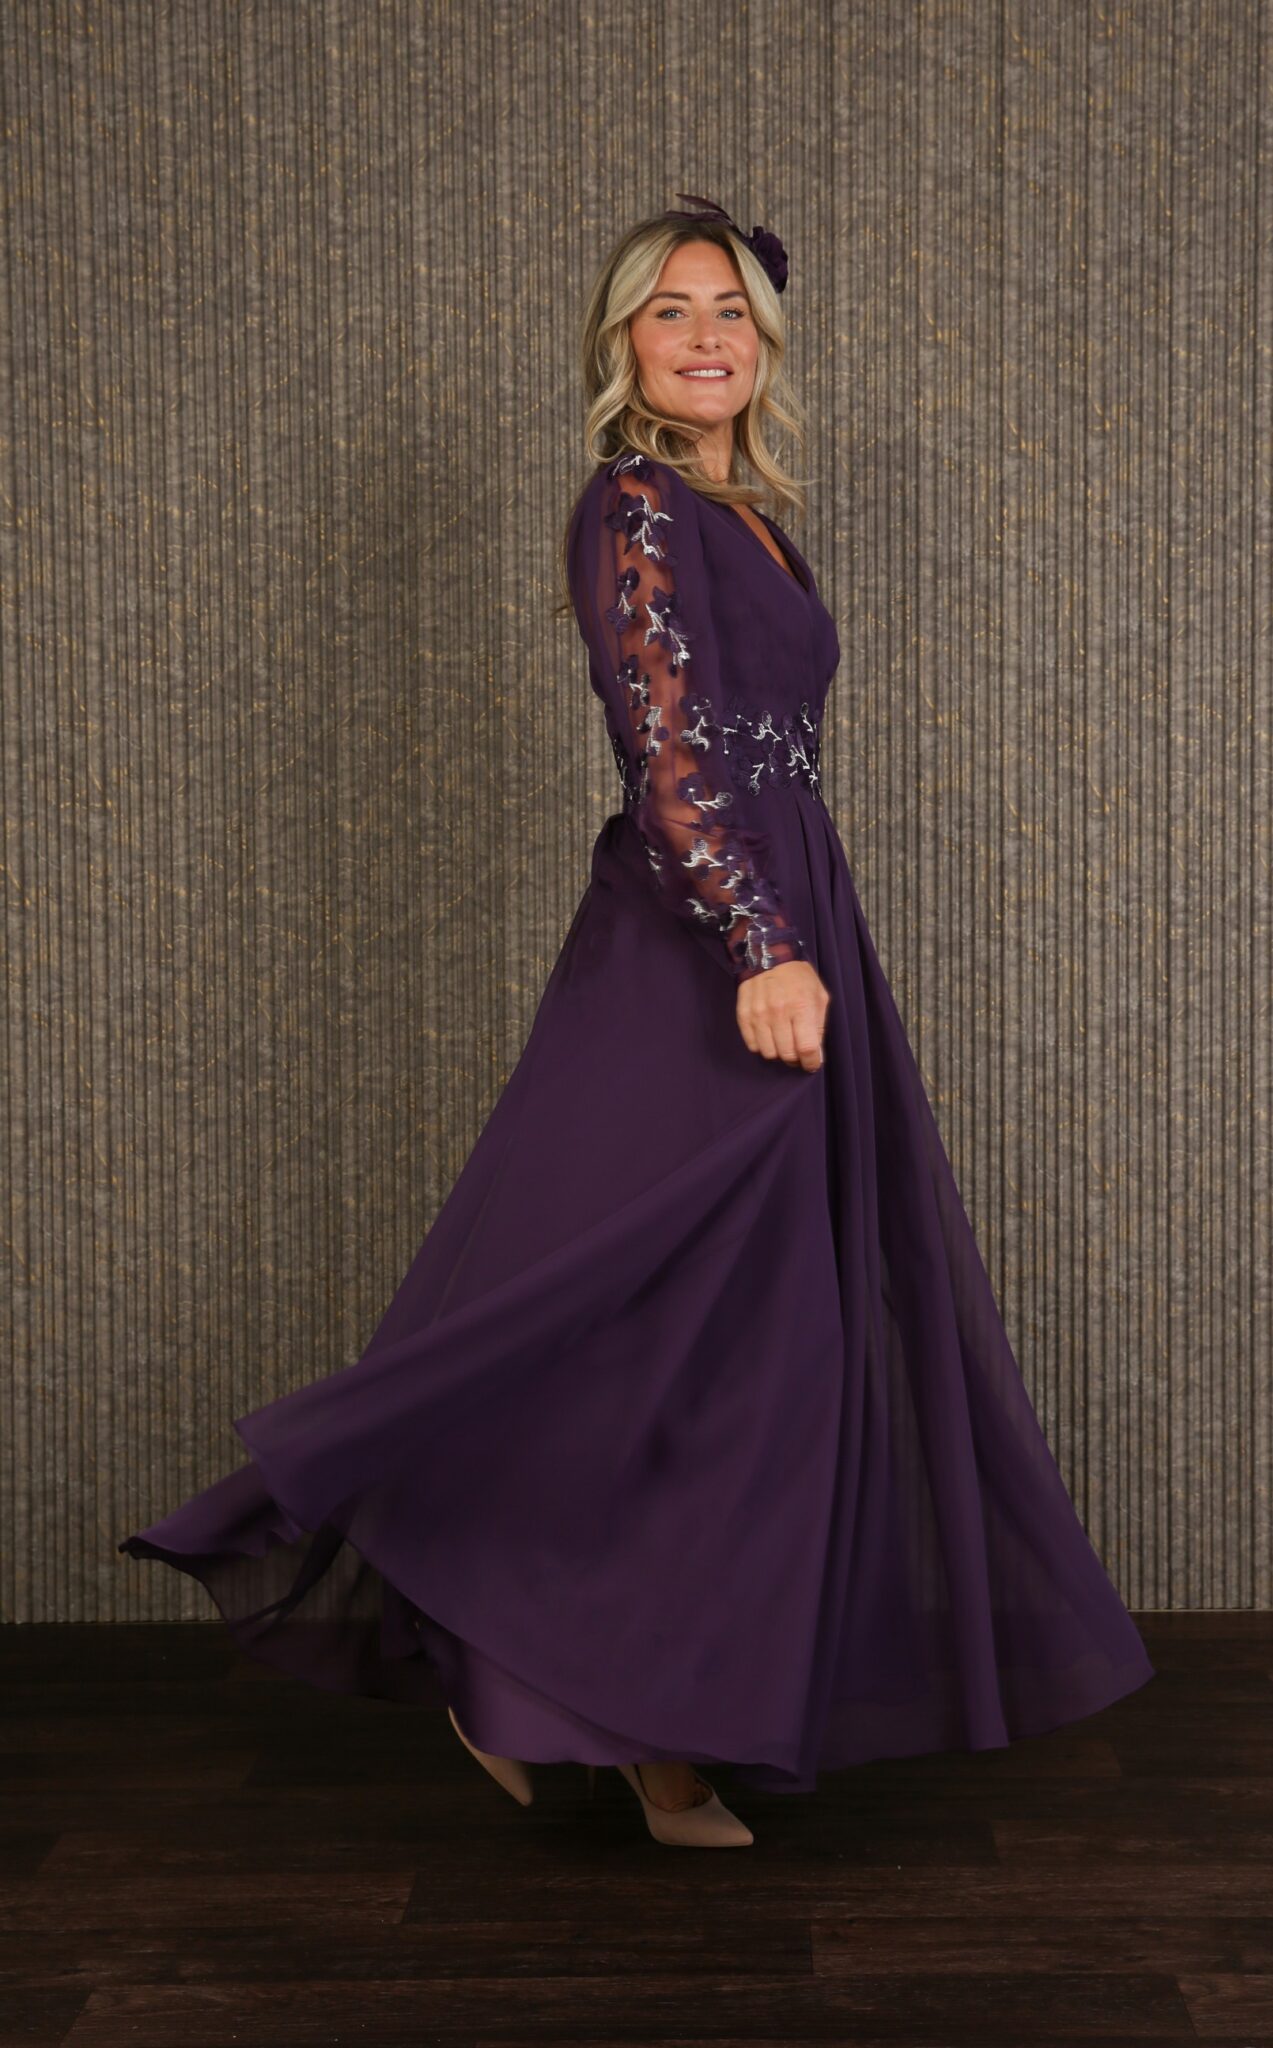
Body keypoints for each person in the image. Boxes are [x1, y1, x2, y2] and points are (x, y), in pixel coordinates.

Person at [119, 193, 1155, 1851]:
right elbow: (662, 748)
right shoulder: (632, 502)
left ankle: (648, 1720)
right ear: (623, 345)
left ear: (766, 342)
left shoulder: (745, 515)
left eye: (729, 309)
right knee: (640, 1328)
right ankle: (539, 1676)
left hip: (788, 915)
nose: (705, 336)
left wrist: (792, 930)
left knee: (754, 1345)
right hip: (702, 945)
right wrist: (759, 942)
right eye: (670, 311)